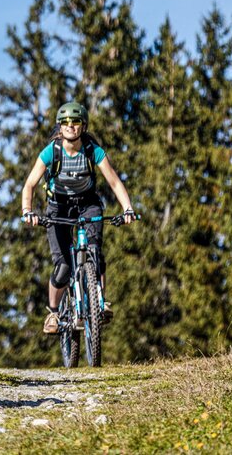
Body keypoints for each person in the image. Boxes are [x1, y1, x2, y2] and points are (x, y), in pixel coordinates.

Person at [19, 101, 137, 334]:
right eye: (66, 123)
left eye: (75, 122)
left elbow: (113, 181)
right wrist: (27, 211)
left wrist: (127, 209)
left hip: (87, 204)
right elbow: (30, 184)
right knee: (62, 266)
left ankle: (100, 303)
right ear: (59, 127)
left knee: (95, 252)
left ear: (83, 126)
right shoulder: (51, 152)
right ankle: (53, 313)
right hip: (58, 207)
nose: (71, 127)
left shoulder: (93, 150)